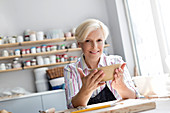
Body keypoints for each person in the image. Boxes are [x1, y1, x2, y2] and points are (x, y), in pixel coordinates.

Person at [64, 19, 140, 108]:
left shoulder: (116, 62)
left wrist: (121, 86)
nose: (94, 46)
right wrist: (85, 90)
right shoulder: (71, 70)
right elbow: (71, 107)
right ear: (79, 44)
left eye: (99, 40)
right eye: (88, 41)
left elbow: (135, 98)